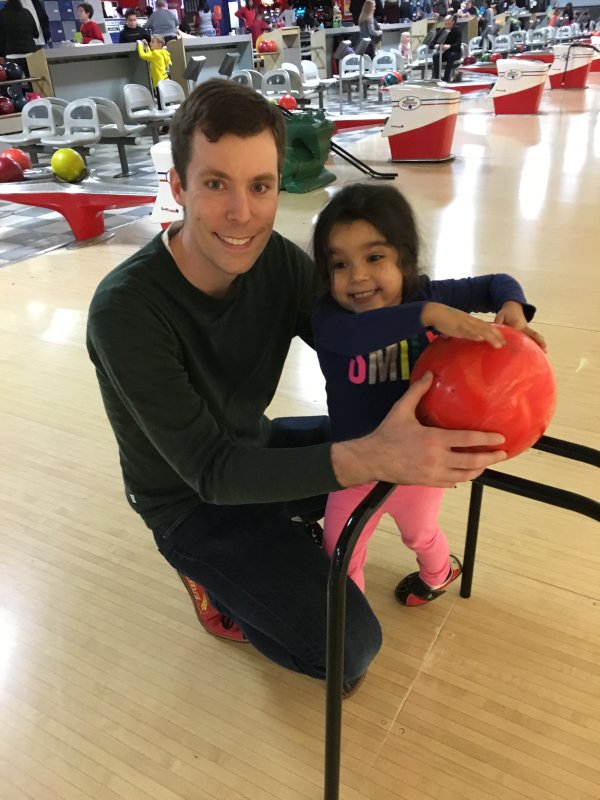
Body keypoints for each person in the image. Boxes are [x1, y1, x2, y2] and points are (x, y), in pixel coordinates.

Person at [86, 80, 506, 694]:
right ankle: (213, 578)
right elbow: (211, 471)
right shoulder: (126, 310)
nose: (242, 213)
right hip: (190, 499)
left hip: (254, 446)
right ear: (177, 186)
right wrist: (376, 456)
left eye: (259, 186)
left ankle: (280, 537)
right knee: (349, 652)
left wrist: (478, 361)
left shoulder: (277, 263)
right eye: (215, 184)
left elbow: (358, 340)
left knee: (375, 439)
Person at [311, 184, 544, 605]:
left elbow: (497, 282)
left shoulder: (430, 295)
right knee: (339, 550)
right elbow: (351, 337)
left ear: (404, 258)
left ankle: (438, 574)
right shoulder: (331, 317)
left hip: (421, 462)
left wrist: (513, 306)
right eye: (340, 264)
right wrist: (428, 315)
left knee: (420, 533)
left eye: (374, 257)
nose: (357, 276)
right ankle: (352, 621)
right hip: (354, 461)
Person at [431, 13, 462, 81]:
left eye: (448, 24)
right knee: (435, 56)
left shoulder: (457, 31)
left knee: (451, 56)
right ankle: (437, 77)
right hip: (446, 52)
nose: (447, 26)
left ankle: (446, 77)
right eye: (445, 24)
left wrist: (449, 46)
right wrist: (437, 46)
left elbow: (458, 44)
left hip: (456, 52)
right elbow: (432, 43)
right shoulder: (442, 31)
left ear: (453, 22)